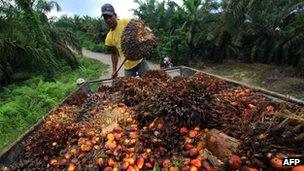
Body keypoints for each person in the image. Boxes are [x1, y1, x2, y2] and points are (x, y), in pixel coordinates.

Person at [101, 3, 149, 78]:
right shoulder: (109, 37)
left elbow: (139, 28)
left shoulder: (125, 22)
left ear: (115, 15)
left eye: (110, 16)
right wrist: (114, 70)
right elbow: (114, 54)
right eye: (105, 18)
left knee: (148, 81)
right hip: (128, 68)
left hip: (140, 61)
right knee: (130, 88)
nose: (108, 19)